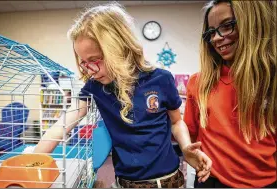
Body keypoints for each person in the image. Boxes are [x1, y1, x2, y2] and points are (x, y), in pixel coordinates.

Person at [34, 2, 212, 188]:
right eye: (84, 63)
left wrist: (185, 147)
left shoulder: (160, 79)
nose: (91, 70)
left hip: (168, 180)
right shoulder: (94, 87)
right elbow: (63, 123)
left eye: (95, 60)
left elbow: (176, 121)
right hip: (125, 182)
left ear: (119, 48)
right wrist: (31, 164)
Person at [184, 0, 277, 188]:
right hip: (210, 182)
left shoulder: (270, 82)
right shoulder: (198, 82)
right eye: (211, 32)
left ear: (252, 23)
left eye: (227, 26)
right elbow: (190, 135)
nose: (216, 38)